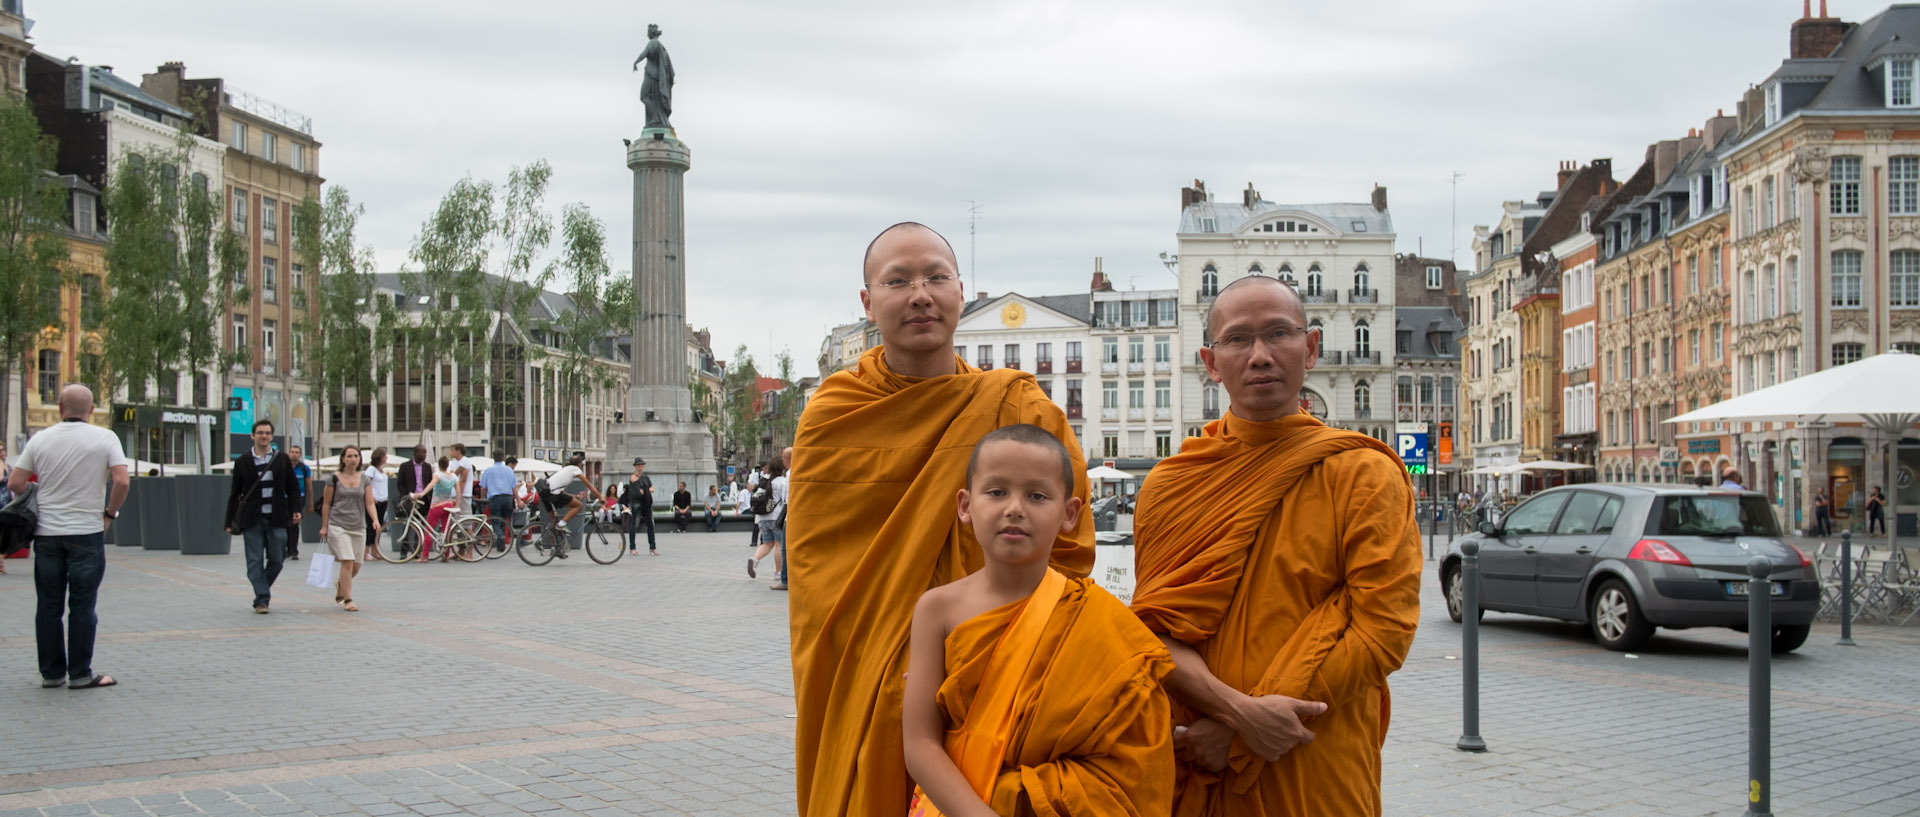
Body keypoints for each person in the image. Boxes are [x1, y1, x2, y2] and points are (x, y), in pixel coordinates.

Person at [788, 222, 1095, 817]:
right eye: (897, 281)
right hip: (867, 679)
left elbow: (1070, 552)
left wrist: (996, 650)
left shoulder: (1019, 407)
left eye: (936, 277)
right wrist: (883, 665)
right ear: (868, 301)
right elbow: (817, 580)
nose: (919, 294)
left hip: (997, 674)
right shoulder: (833, 414)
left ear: (961, 290)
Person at [1129, 275, 1419, 816]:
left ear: (1310, 348)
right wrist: (1239, 715)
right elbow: (1152, 632)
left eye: (1278, 334)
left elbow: (1384, 630)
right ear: (1210, 363)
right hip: (1198, 755)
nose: (1260, 355)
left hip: (1312, 754)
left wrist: (1241, 732)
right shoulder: (1172, 484)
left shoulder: (1362, 472)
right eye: (1238, 339)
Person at [903, 424, 1172, 816]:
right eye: (996, 492)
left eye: (1036, 495)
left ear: (1069, 514)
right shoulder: (936, 609)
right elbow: (920, 742)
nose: (1015, 507)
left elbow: (1134, 762)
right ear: (965, 506)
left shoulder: (1095, 618)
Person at [10, 385, 129, 689]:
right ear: (91, 409)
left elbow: (16, 482)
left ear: (60, 407)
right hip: (87, 533)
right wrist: (109, 514)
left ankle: (51, 674)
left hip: (47, 535)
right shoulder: (106, 437)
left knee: (48, 606)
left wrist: (41, 496)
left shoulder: (41, 439)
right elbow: (121, 481)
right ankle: (80, 674)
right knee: (82, 605)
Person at [224, 419, 301, 614]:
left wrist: (296, 509)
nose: (264, 436)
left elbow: (292, 488)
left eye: (267, 433)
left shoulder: (281, 459)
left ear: (271, 437)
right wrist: (228, 520)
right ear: (253, 436)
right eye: (260, 433)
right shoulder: (242, 461)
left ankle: (261, 590)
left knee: (277, 559)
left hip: (277, 518)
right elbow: (235, 493)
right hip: (252, 520)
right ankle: (262, 600)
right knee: (254, 560)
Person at [318, 446, 380, 612]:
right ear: (343, 459)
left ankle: (341, 584)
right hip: (338, 524)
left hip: (358, 525)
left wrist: (375, 519)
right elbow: (326, 504)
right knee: (347, 560)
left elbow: (369, 502)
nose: (353, 459)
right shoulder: (334, 479)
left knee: (357, 566)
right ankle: (348, 599)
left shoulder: (365, 479)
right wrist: (324, 526)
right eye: (349, 456)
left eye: (356, 456)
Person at [540, 452, 606, 536]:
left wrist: (576, 496)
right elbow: (588, 484)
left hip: (546, 493)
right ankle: (562, 524)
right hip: (553, 494)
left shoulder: (565, 469)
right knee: (579, 506)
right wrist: (600, 497)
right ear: (579, 464)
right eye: (582, 464)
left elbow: (560, 492)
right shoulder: (575, 469)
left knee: (554, 524)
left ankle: (555, 546)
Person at [748, 461, 787, 580]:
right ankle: (778, 572)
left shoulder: (763, 480)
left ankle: (754, 559)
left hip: (761, 517)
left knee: (767, 543)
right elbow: (786, 499)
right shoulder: (782, 481)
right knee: (779, 544)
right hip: (776, 517)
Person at [480, 450, 518, 551]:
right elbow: (514, 487)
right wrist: (518, 500)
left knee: (495, 520)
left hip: (495, 498)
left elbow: (483, 488)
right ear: (503, 457)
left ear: (493, 457)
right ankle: (500, 543)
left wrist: (482, 498)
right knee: (504, 520)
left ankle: (500, 537)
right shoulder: (509, 470)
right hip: (507, 498)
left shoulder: (488, 470)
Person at [621, 458, 657, 554]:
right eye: (638, 465)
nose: (640, 466)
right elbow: (638, 491)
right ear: (635, 466)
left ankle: (652, 547)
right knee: (634, 525)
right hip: (636, 503)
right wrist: (646, 489)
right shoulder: (633, 477)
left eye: (641, 465)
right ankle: (632, 548)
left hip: (646, 503)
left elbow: (651, 488)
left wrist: (645, 490)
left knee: (651, 525)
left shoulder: (646, 478)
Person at [286, 444, 310, 561]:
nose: (294, 454)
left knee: (295, 524)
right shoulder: (284, 467)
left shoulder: (304, 468)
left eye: (296, 452)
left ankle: (293, 550)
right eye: (292, 452)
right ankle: (285, 549)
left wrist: (310, 503)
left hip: (299, 499)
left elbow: (309, 486)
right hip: (284, 498)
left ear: (300, 454)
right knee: (284, 524)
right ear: (288, 453)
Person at [365, 447, 391, 552]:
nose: (386, 457)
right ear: (380, 457)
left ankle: (375, 549)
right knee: (371, 527)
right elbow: (366, 483)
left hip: (383, 500)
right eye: (385, 456)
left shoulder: (381, 470)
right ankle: (366, 550)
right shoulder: (371, 469)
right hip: (374, 501)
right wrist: (371, 496)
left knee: (379, 526)